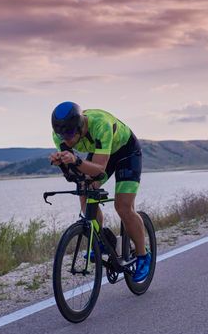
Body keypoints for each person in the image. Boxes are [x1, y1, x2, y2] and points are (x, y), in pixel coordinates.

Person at [49, 101, 151, 282]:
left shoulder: (101, 124)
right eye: (61, 135)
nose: (66, 139)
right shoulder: (60, 136)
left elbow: (99, 171)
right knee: (84, 190)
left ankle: (143, 256)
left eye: (70, 133)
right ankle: (102, 240)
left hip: (126, 153)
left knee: (123, 207)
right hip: (100, 154)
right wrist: (63, 165)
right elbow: (75, 174)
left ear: (80, 126)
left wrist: (76, 161)